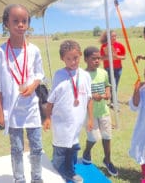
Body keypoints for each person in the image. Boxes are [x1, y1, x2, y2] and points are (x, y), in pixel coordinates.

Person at [0, 4, 44, 183]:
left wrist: (33, 86)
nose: (20, 25)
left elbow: (39, 74)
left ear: (28, 24)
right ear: (6, 24)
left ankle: (37, 178)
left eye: (24, 21)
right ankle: (19, 179)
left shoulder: (34, 50)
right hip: (12, 109)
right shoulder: (1, 52)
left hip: (31, 107)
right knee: (16, 148)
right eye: (15, 21)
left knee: (36, 147)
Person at [43, 40, 93, 183]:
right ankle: (57, 174)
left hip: (76, 123)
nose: (72, 62)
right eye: (68, 59)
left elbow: (89, 99)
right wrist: (48, 118)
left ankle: (70, 172)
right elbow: (51, 101)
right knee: (60, 151)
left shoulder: (85, 76)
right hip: (61, 123)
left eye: (75, 58)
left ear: (80, 56)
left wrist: (89, 119)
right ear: (62, 59)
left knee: (73, 149)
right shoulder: (59, 75)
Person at [81, 46, 118, 176]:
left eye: (99, 58)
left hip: (103, 111)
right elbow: (81, 93)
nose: (97, 61)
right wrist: (92, 95)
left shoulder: (103, 72)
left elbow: (107, 85)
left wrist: (107, 93)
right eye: (93, 58)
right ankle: (86, 152)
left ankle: (107, 160)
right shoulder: (82, 75)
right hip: (89, 113)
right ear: (85, 59)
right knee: (94, 137)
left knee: (107, 136)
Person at [99, 30, 126, 101]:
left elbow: (124, 57)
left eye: (115, 36)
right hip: (108, 68)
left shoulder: (120, 45)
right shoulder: (104, 46)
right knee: (111, 85)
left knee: (115, 85)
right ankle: (113, 101)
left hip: (118, 68)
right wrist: (109, 57)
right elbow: (101, 58)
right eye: (112, 36)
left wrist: (116, 57)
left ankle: (113, 100)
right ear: (108, 37)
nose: (114, 37)